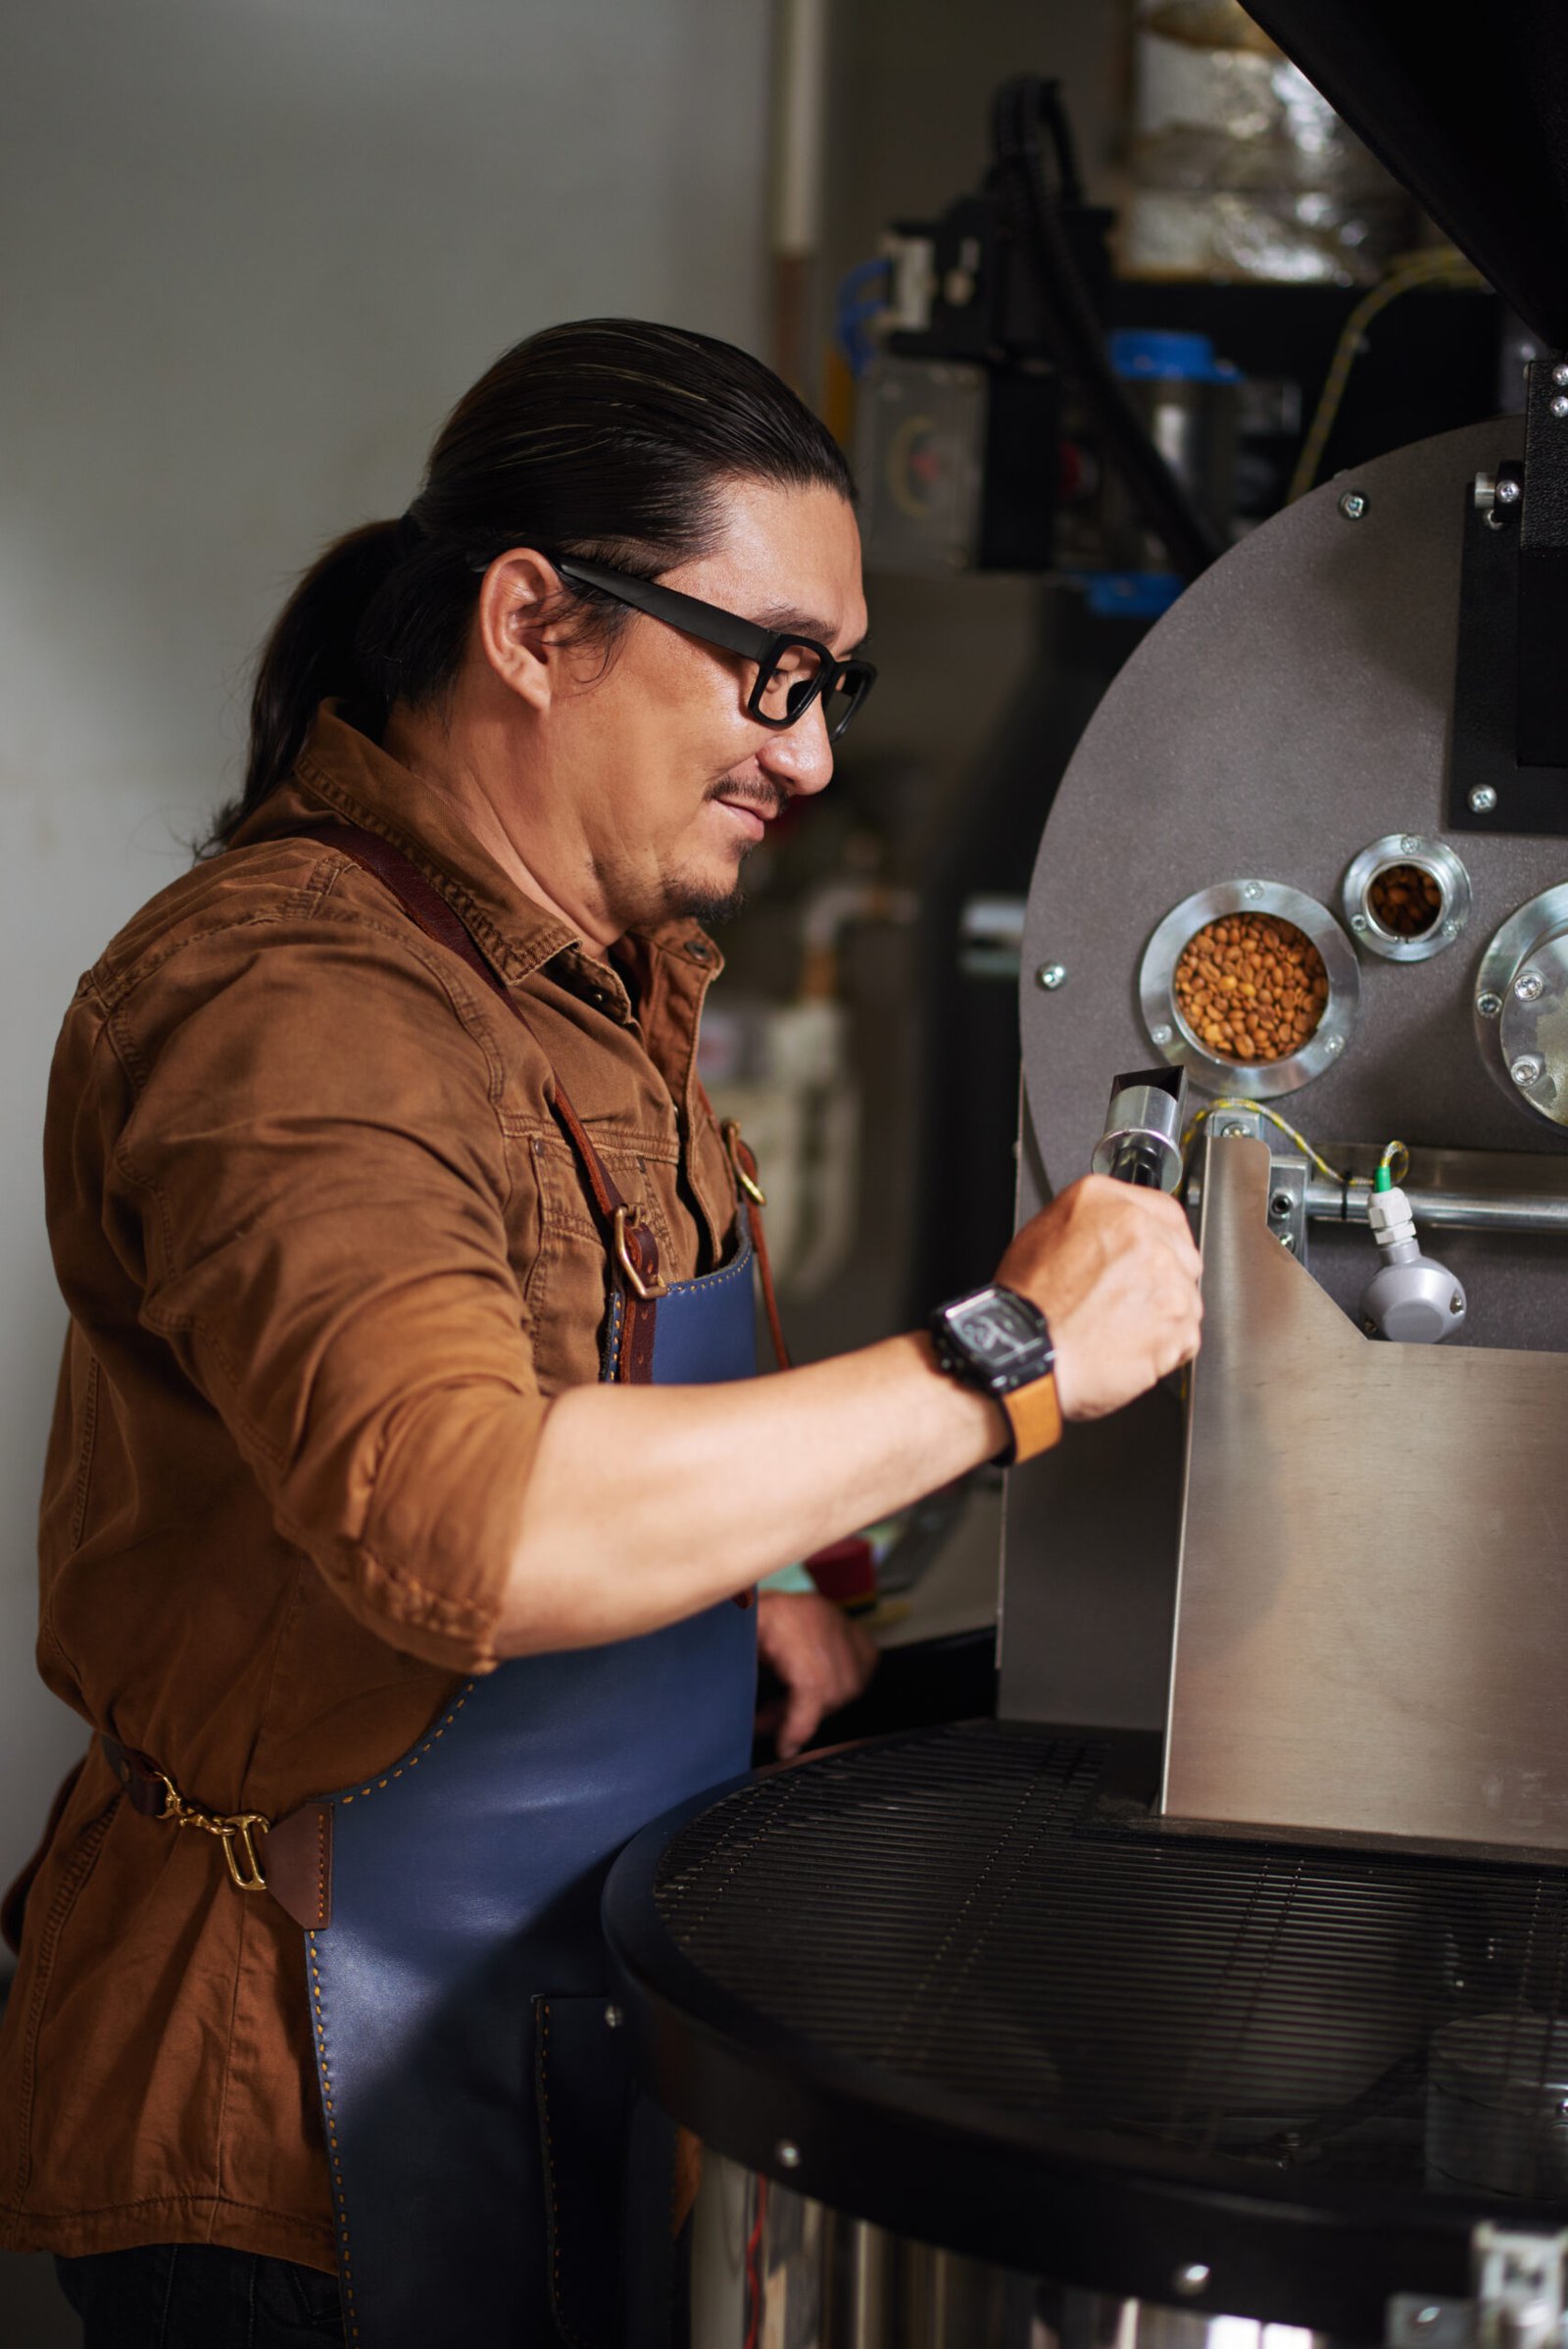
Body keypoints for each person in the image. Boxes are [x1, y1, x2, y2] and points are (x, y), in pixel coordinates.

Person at [0, 318, 1202, 2348]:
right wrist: (1003, 1354)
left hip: (539, 2011)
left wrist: (760, 1580)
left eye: (831, 685)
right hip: (295, 2096)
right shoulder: (303, 1007)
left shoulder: (588, 981)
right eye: (771, 671)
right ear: (535, 622)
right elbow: (471, 1523)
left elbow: (591, 1359)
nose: (807, 750)